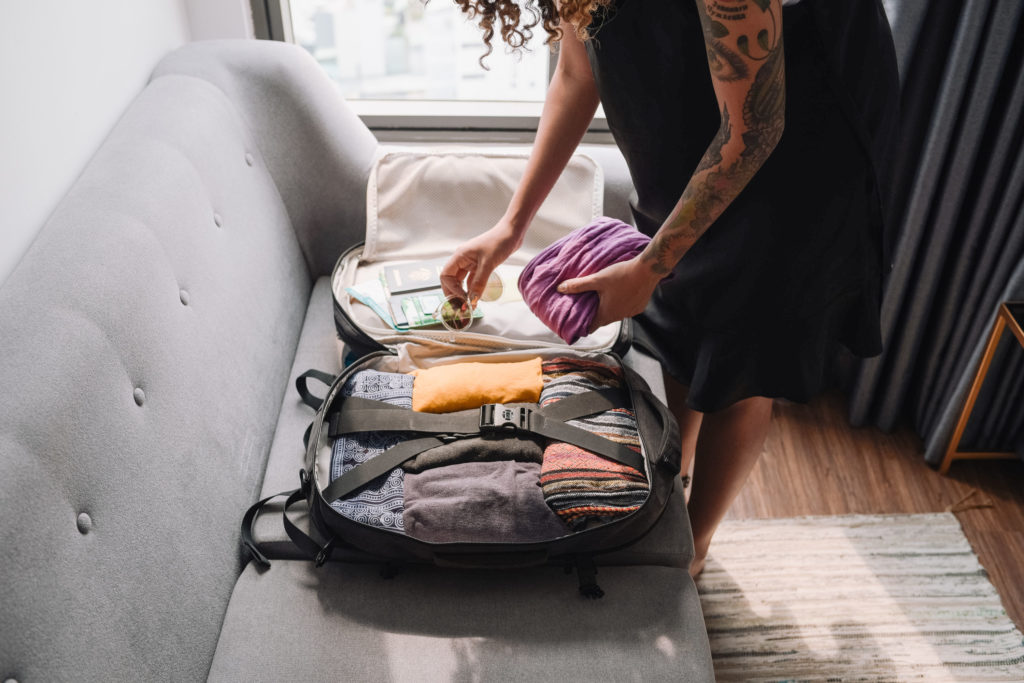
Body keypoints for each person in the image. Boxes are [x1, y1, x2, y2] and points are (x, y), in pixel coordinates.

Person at [439, 0, 899, 577]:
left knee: (741, 360)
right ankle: (665, 490)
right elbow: (577, 73)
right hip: (694, 120)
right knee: (675, 328)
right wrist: (511, 227)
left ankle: (695, 542)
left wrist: (649, 266)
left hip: (796, 140)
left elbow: (752, 131)